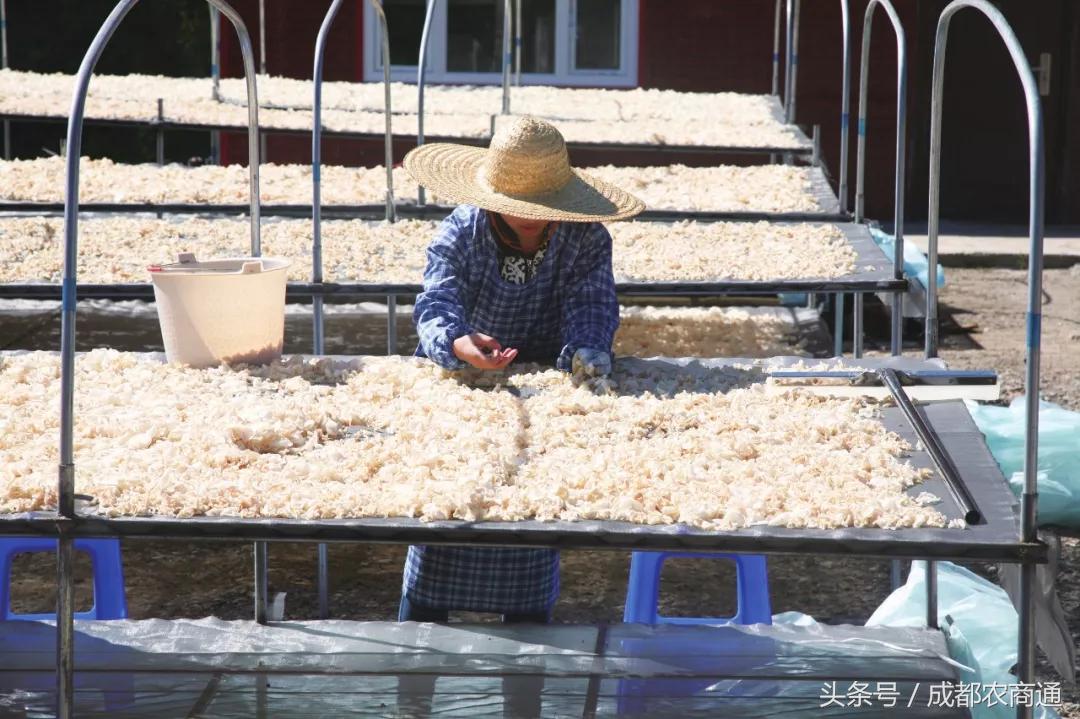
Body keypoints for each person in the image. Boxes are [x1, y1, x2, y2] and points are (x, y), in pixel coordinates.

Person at [397, 115, 644, 626]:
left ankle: (525, 677)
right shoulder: (462, 230)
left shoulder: (585, 238)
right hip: (464, 390)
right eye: (521, 210)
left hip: (545, 395)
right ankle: (414, 685)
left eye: (543, 209)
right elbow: (436, 302)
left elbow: (592, 305)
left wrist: (587, 351)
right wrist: (460, 343)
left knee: (530, 517)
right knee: (449, 513)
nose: (533, 220)